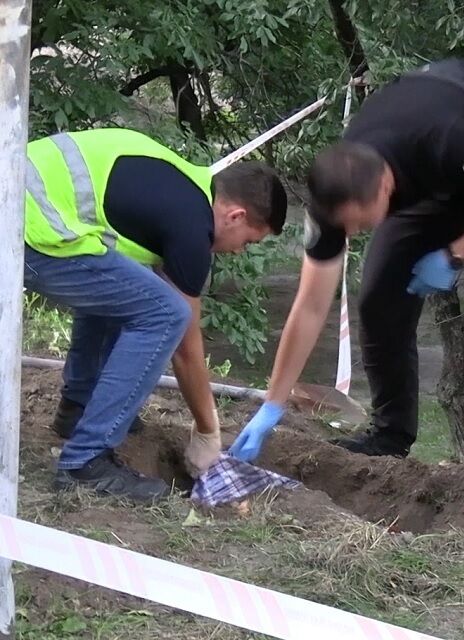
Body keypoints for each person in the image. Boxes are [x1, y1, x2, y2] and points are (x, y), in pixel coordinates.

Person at [230, 58, 464, 488]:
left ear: (386, 188)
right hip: (433, 184)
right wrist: (272, 404)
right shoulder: (335, 196)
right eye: (345, 225)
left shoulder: (447, 138)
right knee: (378, 298)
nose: (351, 233)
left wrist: (455, 255)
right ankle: (390, 434)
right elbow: (310, 306)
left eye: (359, 223)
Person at [24, 127, 287, 501]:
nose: (238, 251)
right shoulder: (191, 227)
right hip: (28, 227)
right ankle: (86, 462)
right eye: (248, 241)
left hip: (22, 201)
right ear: (236, 215)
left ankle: (79, 407)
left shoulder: (180, 182)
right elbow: (186, 347)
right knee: (166, 314)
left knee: (128, 288)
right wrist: (208, 430)